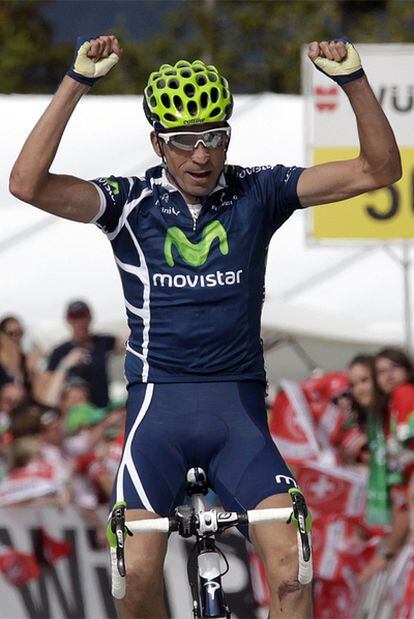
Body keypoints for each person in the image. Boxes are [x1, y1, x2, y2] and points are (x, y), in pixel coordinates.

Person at [9, 34, 401, 619]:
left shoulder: (257, 191)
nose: (201, 155)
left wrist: (353, 82)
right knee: (136, 574)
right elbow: (26, 184)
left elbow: (379, 169)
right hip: (156, 415)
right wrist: (76, 82)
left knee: (294, 567)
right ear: (157, 143)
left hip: (238, 415)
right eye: (185, 141)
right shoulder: (130, 202)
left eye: (213, 137)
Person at [347, 354, 410, 582]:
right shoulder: (372, 427)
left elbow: (404, 496)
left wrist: (385, 553)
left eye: (365, 380)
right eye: (353, 384)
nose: (360, 389)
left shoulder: (397, 418)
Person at [45, 300, 123, 407]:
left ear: (90, 318)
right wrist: (66, 364)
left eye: (83, 316)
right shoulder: (59, 352)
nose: (80, 322)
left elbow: (127, 343)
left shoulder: (103, 341)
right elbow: (47, 394)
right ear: (68, 320)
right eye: (75, 318)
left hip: (102, 408)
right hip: (75, 412)